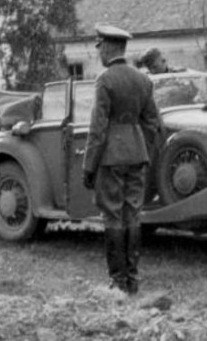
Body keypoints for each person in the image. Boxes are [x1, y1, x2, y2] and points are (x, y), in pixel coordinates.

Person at [82, 24, 160, 295]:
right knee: (132, 215)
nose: (99, 52)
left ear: (111, 47)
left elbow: (98, 128)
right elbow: (153, 123)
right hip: (137, 155)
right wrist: (141, 147)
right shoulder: (142, 80)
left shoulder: (105, 80)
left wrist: (89, 165)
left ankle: (117, 280)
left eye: (100, 46)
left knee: (112, 216)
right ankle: (133, 278)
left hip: (111, 158)